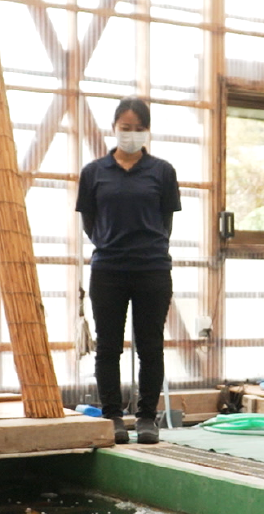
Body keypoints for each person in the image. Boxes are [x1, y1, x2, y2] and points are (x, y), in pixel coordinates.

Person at [76, 97, 181, 445]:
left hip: (152, 269)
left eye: (139, 129)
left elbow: (165, 223)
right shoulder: (93, 172)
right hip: (108, 270)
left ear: (147, 132)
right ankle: (112, 416)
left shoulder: (162, 171)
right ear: (114, 129)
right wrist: (110, 243)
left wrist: (146, 246)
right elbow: (89, 222)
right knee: (108, 347)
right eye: (126, 128)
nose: (132, 135)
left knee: (150, 347)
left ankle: (148, 417)